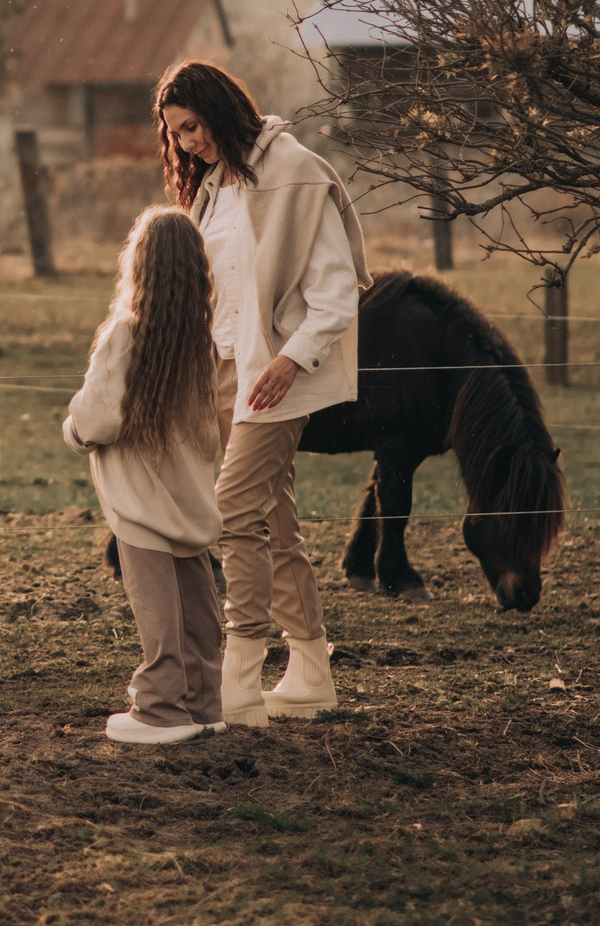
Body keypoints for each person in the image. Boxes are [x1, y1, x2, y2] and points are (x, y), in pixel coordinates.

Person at [155, 59, 368, 725]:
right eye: (176, 134)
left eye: (192, 125)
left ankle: (238, 682)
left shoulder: (295, 171)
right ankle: (310, 674)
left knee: (234, 508)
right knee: (276, 521)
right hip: (222, 373)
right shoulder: (212, 188)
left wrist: (288, 358)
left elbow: (335, 293)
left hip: (277, 377)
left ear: (219, 107)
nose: (188, 141)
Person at [64, 206, 226, 746]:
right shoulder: (199, 339)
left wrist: (74, 431)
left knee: (157, 610)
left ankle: (160, 709)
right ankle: (204, 703)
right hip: (190, 499)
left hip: (141, 503)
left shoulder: (126, 334)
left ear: (141, 266)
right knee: (198, 608)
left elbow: (99, 418)